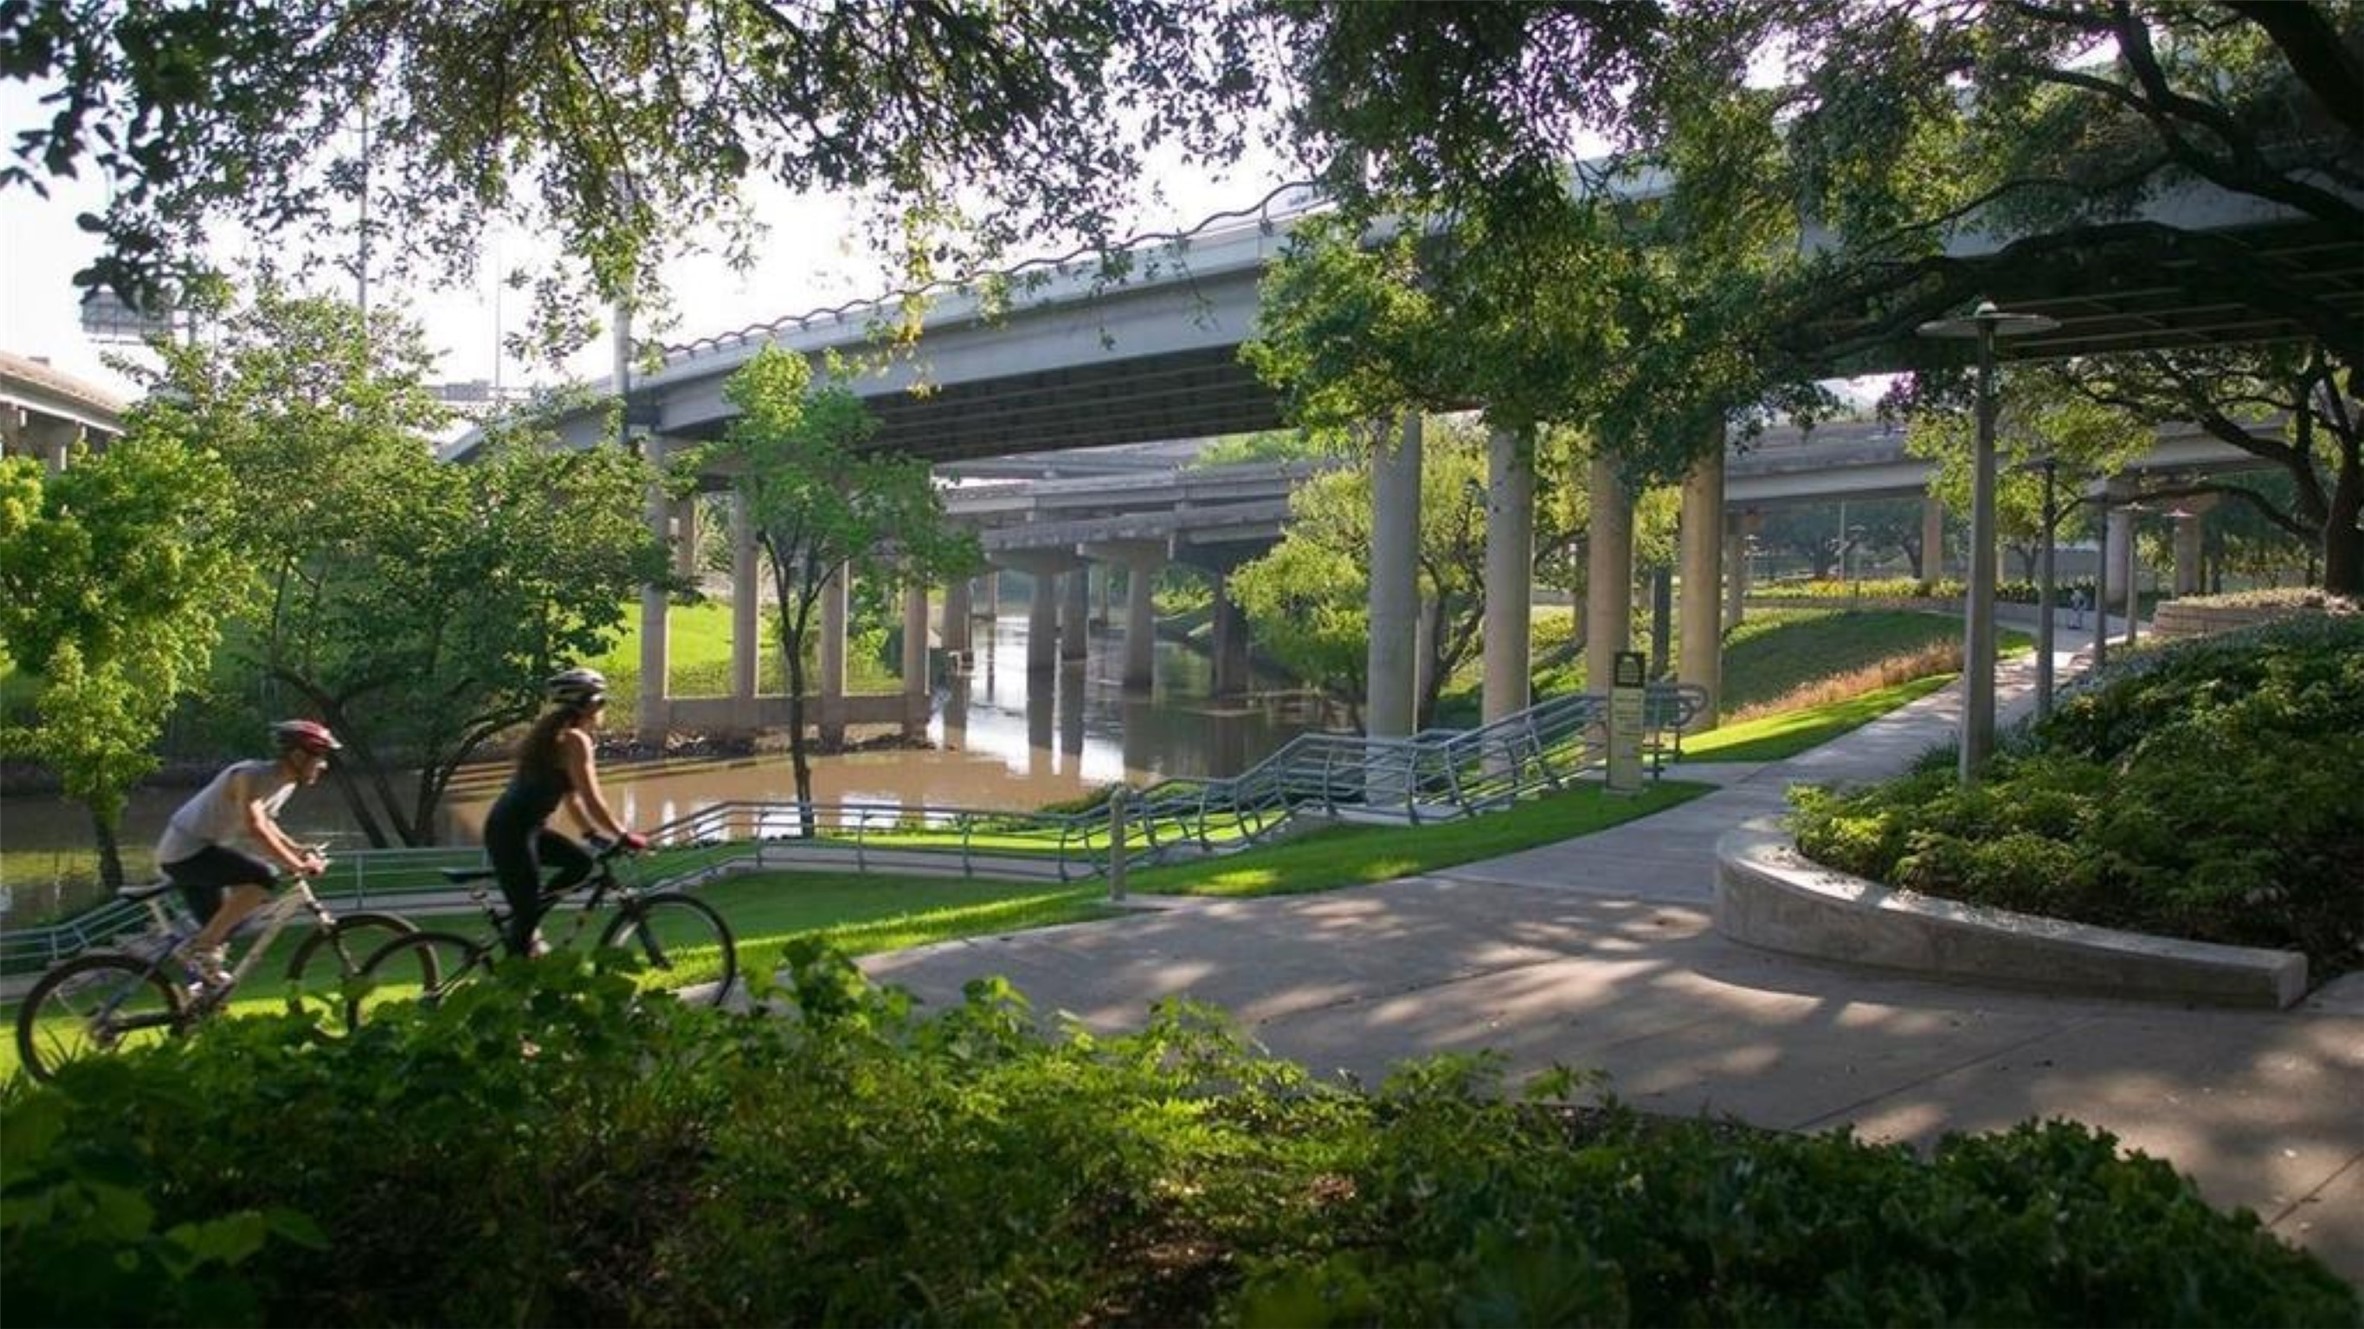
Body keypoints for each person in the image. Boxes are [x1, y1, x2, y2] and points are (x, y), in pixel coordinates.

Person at [155, 720, 339, 987]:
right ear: (298, 755)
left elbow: (268, 823)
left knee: (217, 939)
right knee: (264, 876)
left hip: (202, 850)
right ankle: (199, 949)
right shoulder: (250, 776)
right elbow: (255, 826)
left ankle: (196, 1005)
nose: (323, 765)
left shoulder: (284, 784)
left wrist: (297, 849)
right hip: (186, 850)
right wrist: (295, 865)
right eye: (319, 757)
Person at [484, 667, 647, 957]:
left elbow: (573, 799)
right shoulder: (574, 740)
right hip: (512, 832)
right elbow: (592, 798)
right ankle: (516, 970)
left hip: (521, 828)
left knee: (580, 865)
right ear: (588, 704)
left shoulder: (558, 737)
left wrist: (590, 833)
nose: (602, 708)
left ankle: (529, 933)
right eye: (601, 701)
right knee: (527, 916)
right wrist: (623, 834)